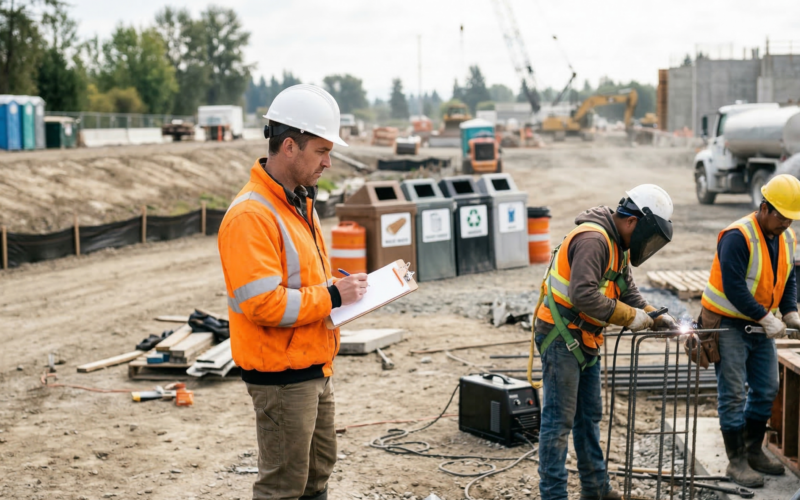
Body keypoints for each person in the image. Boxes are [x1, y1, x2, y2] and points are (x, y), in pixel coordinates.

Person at [217, 84, 368, 500]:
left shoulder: (298, 203)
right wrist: (334, 297)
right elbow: (264, 304)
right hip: (281, 378)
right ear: (289, 146)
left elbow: (303, 284)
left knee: (316, 477)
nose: (328, 161)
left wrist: (339, 295)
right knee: (283, 487)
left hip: (312, 365)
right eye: (321, 150)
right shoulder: (251, 215)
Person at [533, 185, 677, 500]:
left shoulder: (619, 245)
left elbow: (627, 292)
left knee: (589, 416)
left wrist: (653, 316)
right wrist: (630, 317)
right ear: (635, 221)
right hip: (562, 336)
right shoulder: (594, 240)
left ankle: (596, 490)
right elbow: (582, 295)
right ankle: (553, 496)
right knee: (559, 421)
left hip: (584, 337)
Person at [700, 174, 800, 487]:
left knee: (767, 388)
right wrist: (765, 318)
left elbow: (787, 277)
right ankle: (736, 462)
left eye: (791, 218)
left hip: (759, 326)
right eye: (782, 217)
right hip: (729, 325)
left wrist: (790, 311)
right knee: (731, 395)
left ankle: (753, 449)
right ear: (764, 207)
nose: (786, 223)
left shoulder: (786, 237)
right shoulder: (738, 236)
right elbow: (733, 287)